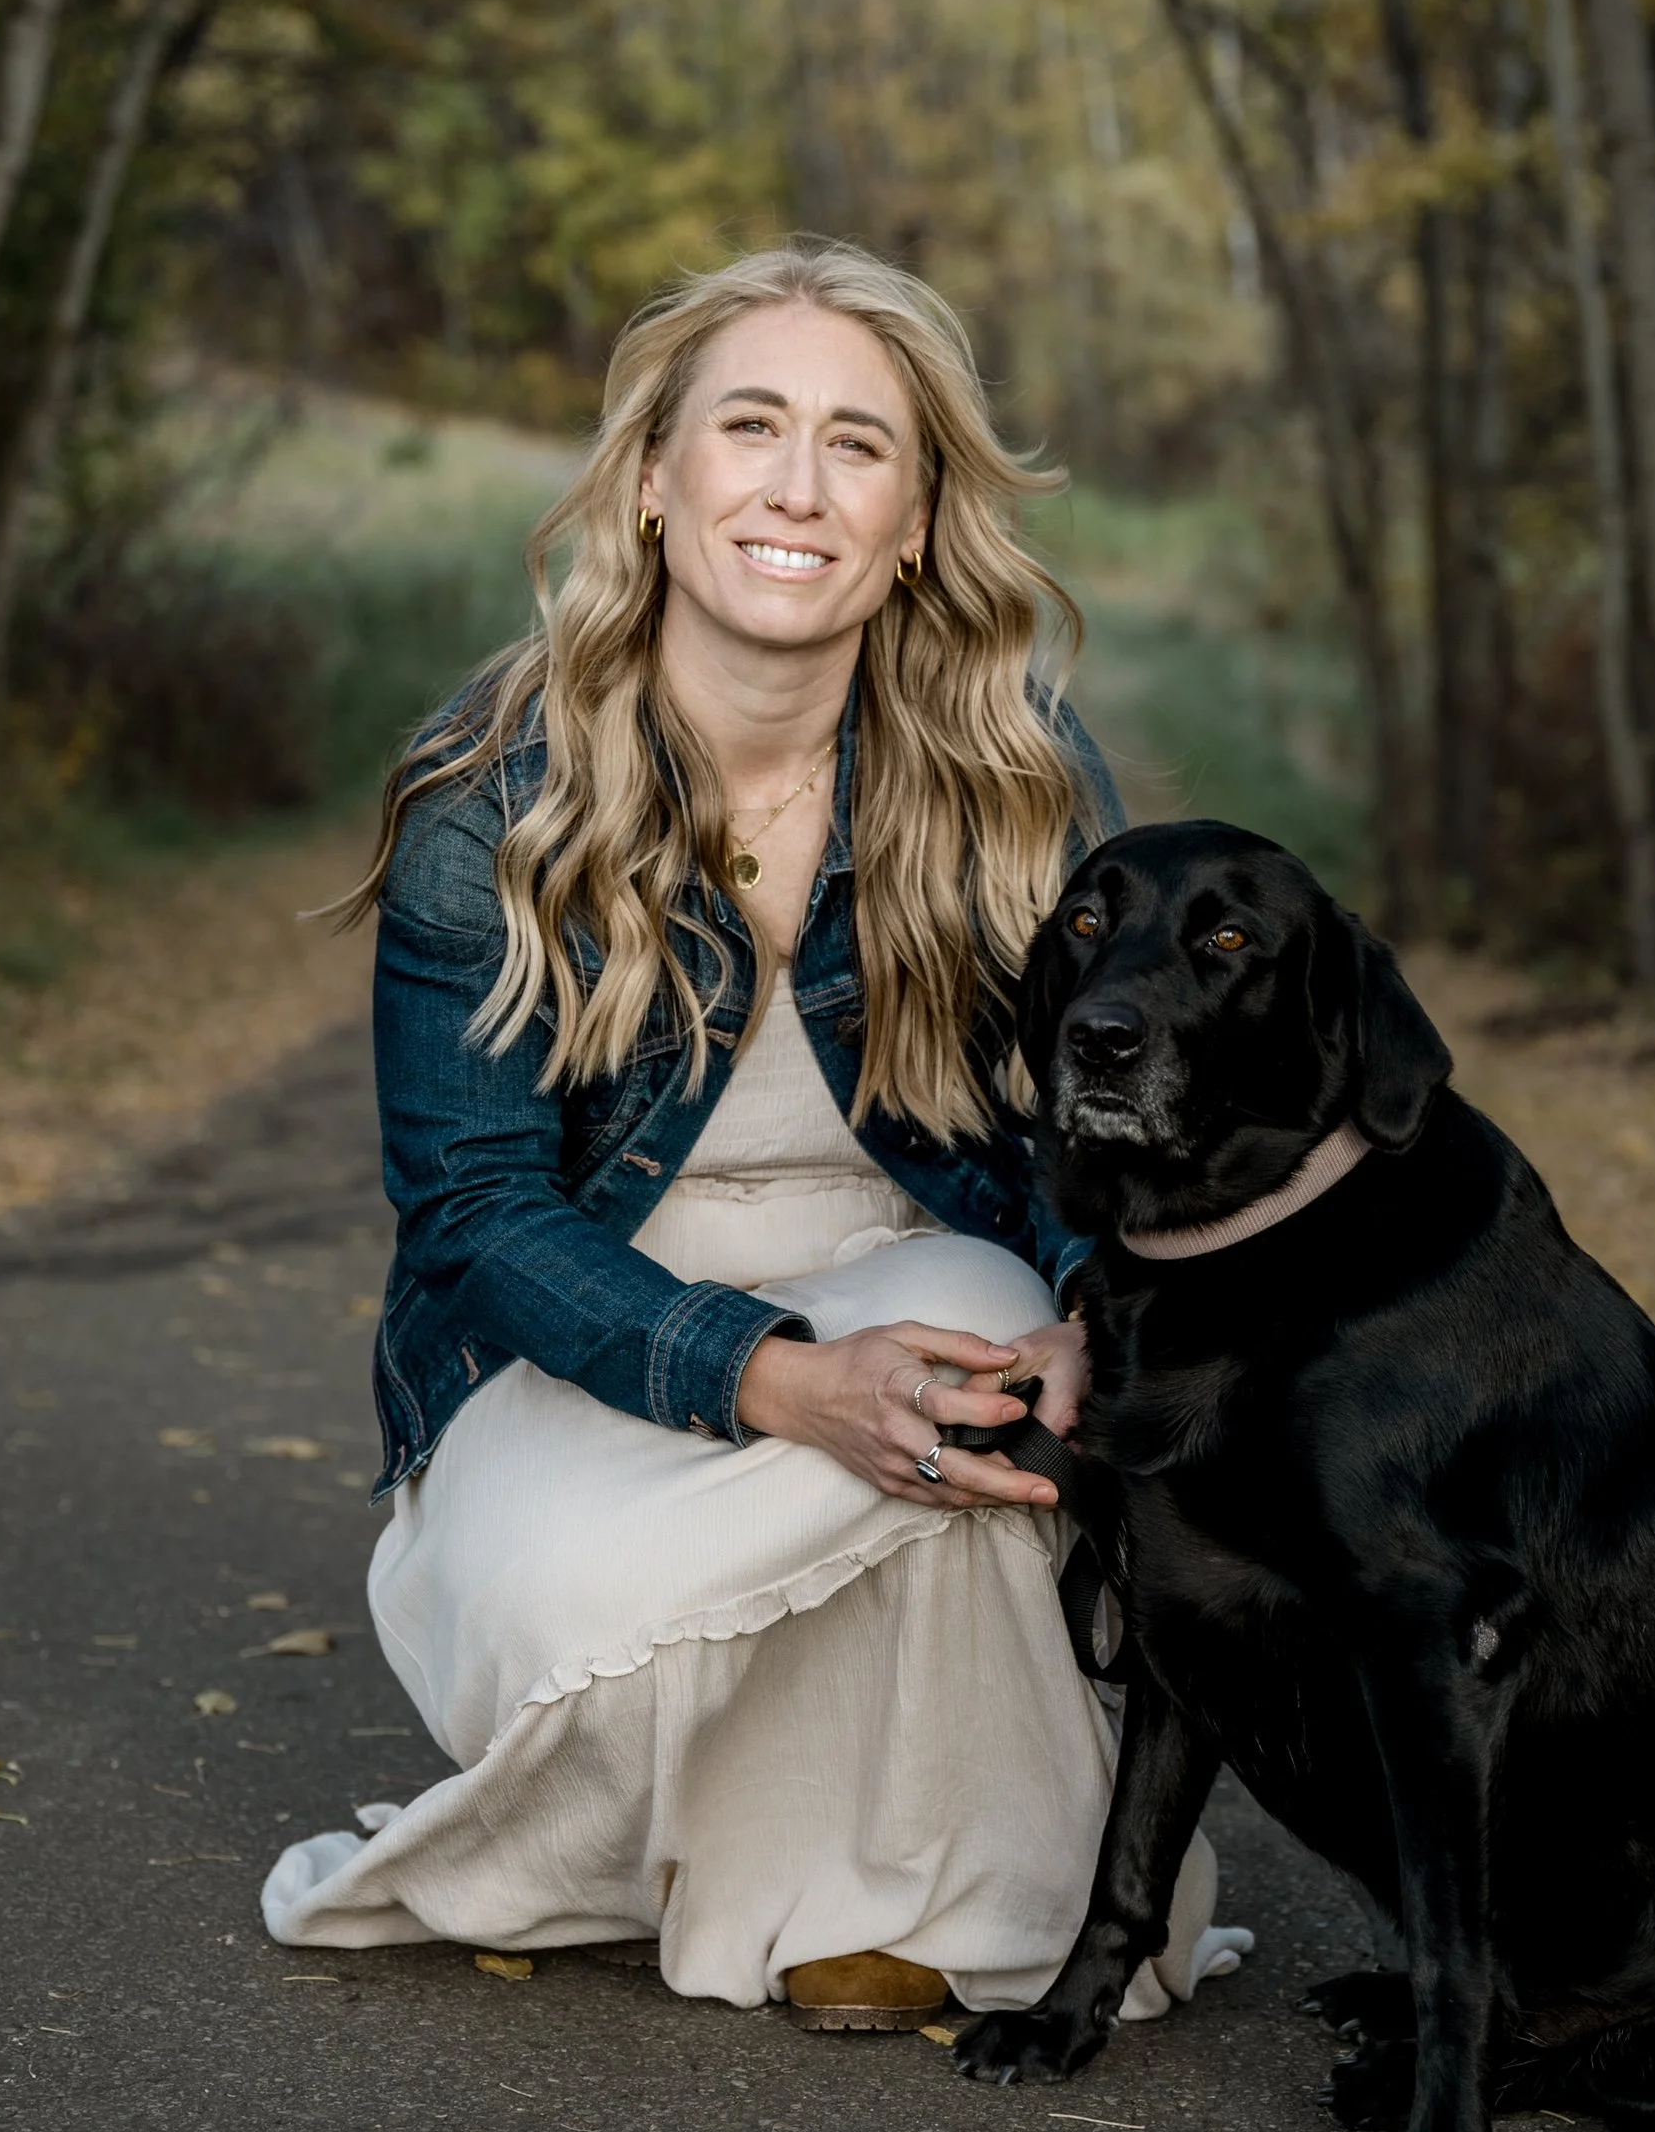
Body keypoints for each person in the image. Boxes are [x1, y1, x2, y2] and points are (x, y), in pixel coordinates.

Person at [261, 240, 1246, 2028]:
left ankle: (909, 1903)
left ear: (922, 513)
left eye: (859, 444)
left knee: (962, 1401)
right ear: (656, 478)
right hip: (573, 1324)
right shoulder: (498, 781)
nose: (798, 487)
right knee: (589, 1587)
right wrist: (781, 1379)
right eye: (752, 426)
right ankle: (743, 1841)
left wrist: (1095, 1313)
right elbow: (475, 1211)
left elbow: (1109, 1132)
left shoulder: (1015, 765)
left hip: (902, 1252)